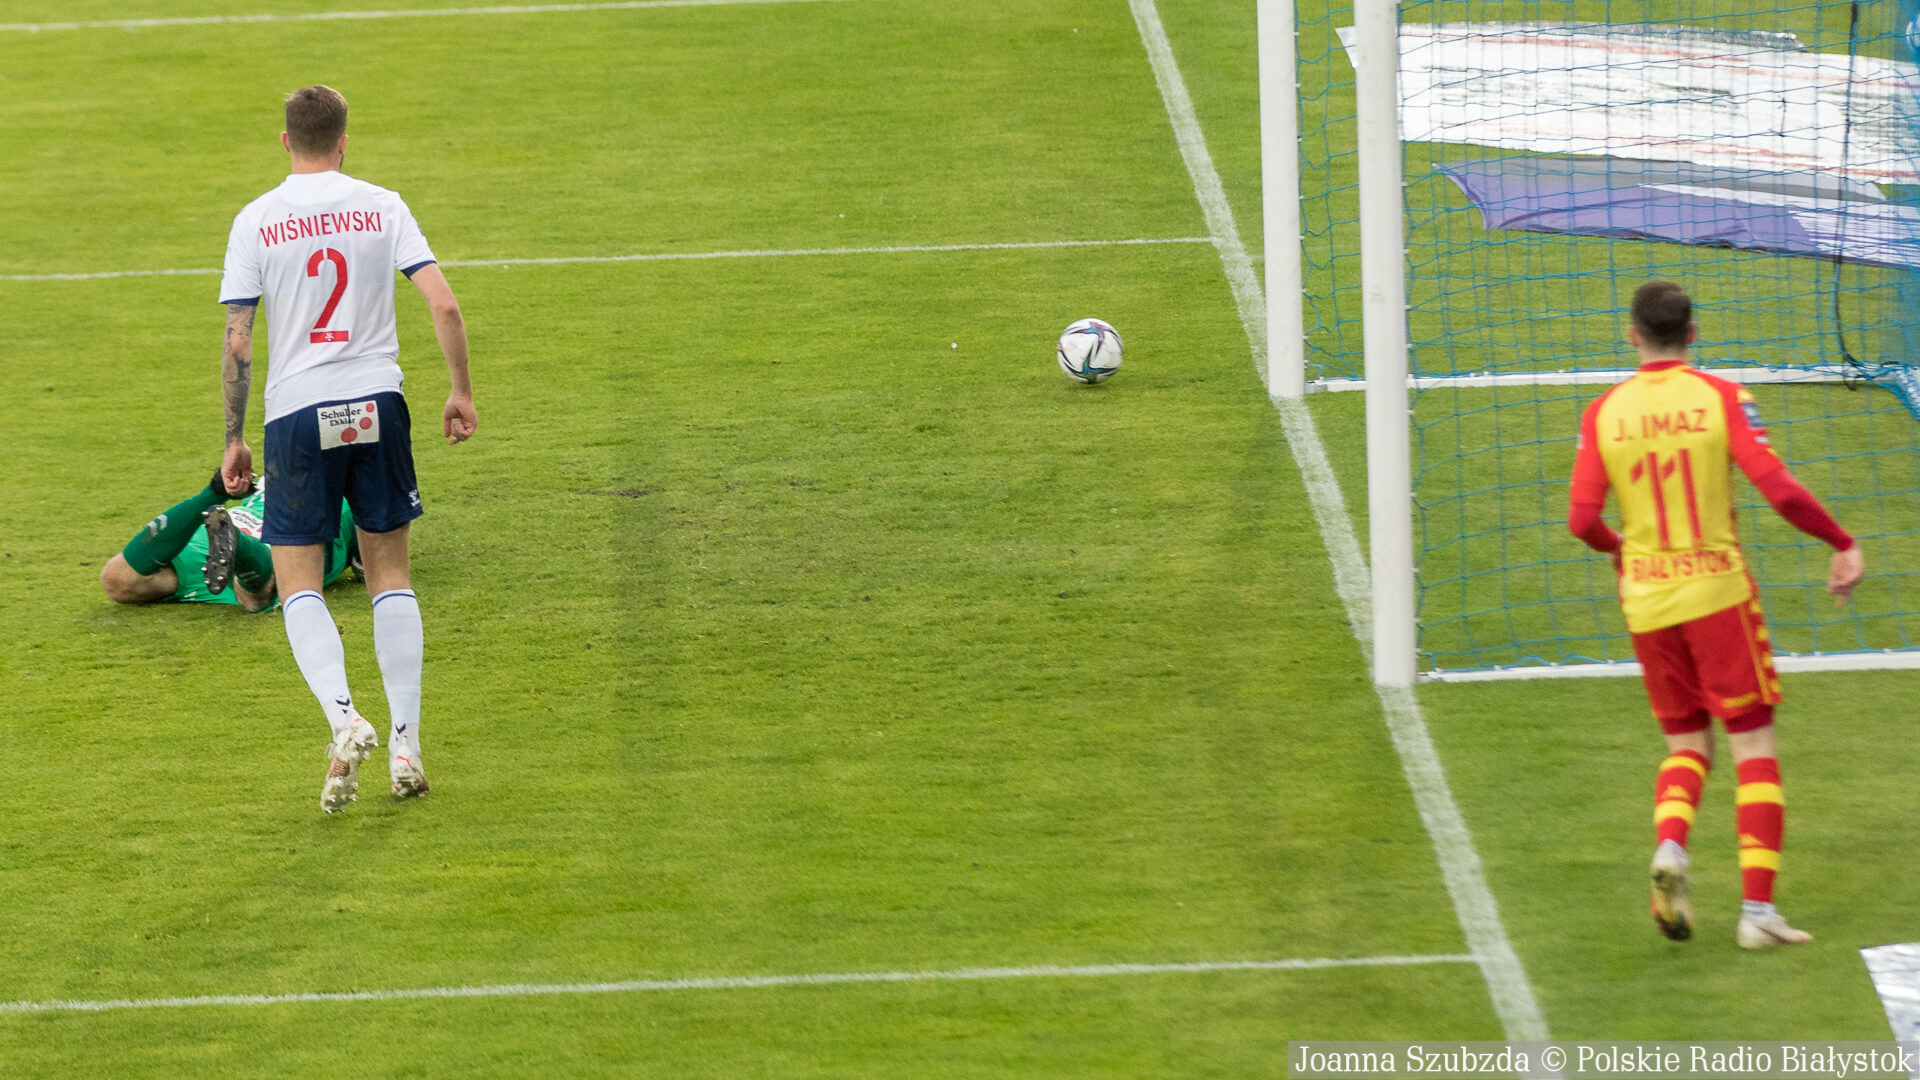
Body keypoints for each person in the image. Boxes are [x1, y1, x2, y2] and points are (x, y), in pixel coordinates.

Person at [1567, 280, 1863, 949]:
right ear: (1693, 334)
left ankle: (1671, 847)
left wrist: (1620, 549)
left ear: (1631, 335)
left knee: (1686, 745)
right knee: (1752, 745)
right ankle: (1757, 913)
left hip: (1646, 601)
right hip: (1718, 596)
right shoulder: (1722, 398)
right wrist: (1841, 542)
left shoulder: (1603, 412)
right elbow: (1779, 489)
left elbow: (1581, 520)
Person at [217, 84, 477, 813]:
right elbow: (444, 303)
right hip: (377, 403)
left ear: (285, 141)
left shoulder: (255, 219)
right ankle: (406, 744)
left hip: (297, 413)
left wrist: (234, 437)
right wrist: (460, 390)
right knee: (390, 575)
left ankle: (343, 718)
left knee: (299, 583)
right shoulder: (383, 205)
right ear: (343, 141)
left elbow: (239, 339)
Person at [100, 472, 355, 613]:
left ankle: (216, 504)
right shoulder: (354, 493)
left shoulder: (283, 468)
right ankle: (235, 540)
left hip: (226, 529)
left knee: (117, 579)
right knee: (117, 579)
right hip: (276, 538)